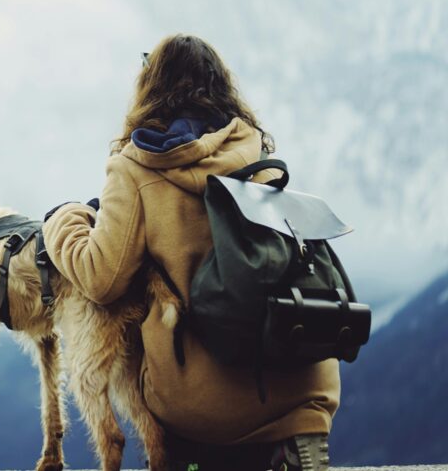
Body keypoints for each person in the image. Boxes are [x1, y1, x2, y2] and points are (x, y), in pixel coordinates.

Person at [42, 33, 339, 471]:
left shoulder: (135, 168)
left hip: (199, 399)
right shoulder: (254, 151)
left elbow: (101, 279)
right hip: (300, 384)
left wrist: (62, 220)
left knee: (179, 408)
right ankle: (287, 441)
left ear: (149, 90)